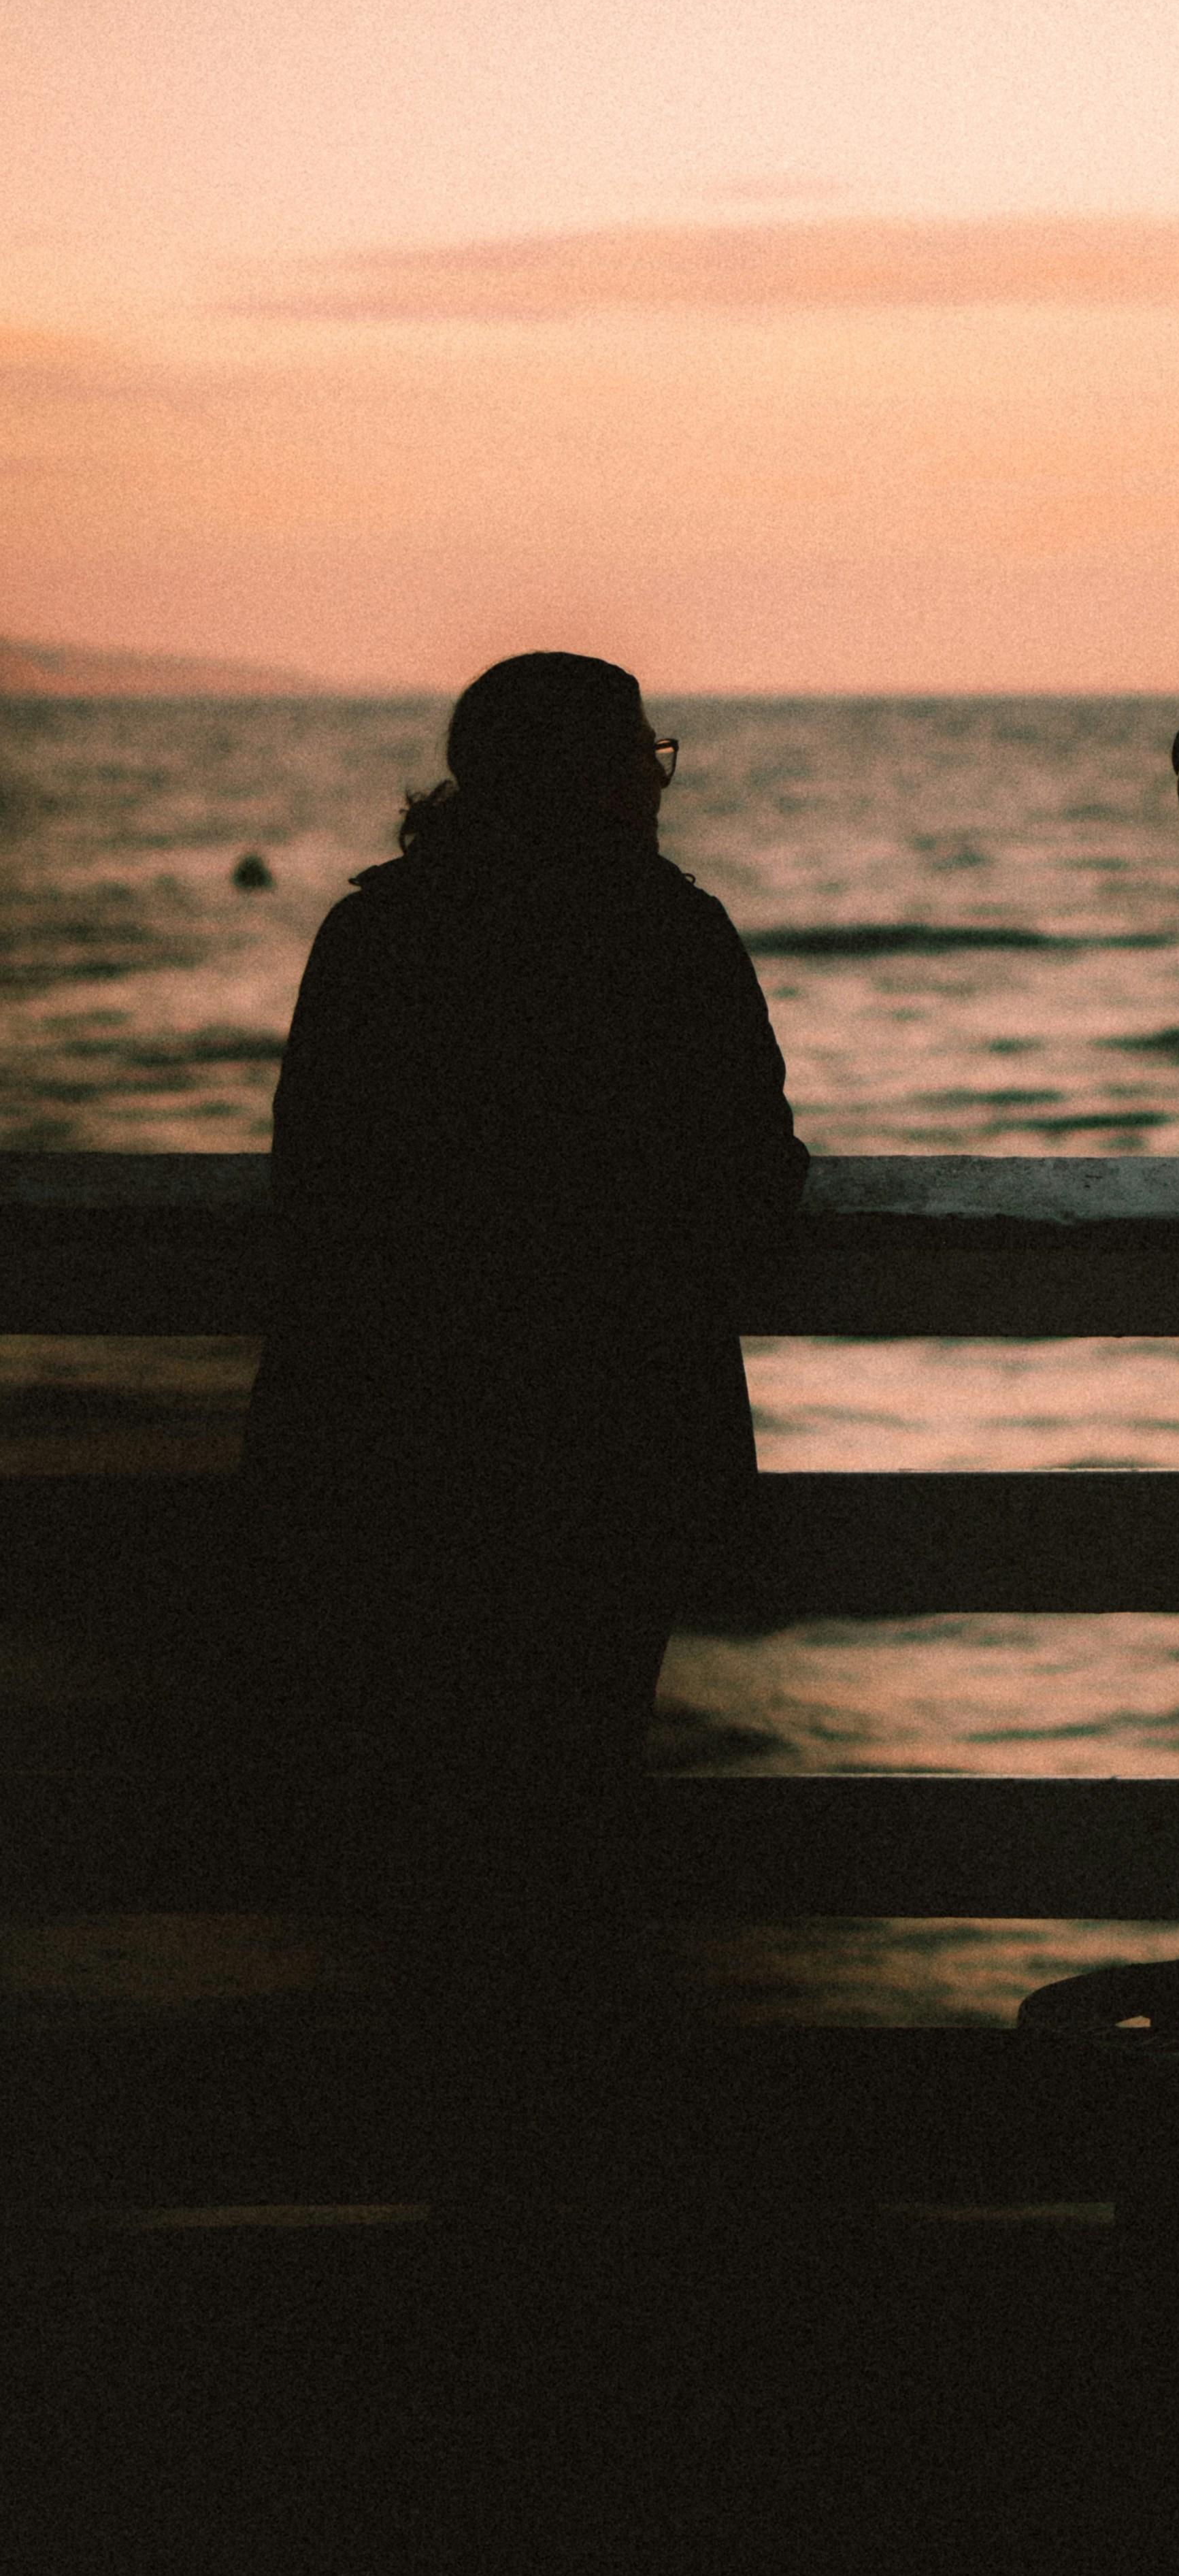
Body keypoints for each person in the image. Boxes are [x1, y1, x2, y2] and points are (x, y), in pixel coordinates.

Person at [243, 652, 807, 2211]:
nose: (657, 780)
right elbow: (755, 1184)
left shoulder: (378, 933)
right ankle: (565, 2170)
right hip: (608, 1450)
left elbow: (316, 1184)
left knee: (434, 1804)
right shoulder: (665, 933)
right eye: (646, 754)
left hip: (397, 1450)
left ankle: (452, 2157)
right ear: (604, 774)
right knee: (579, 1788)